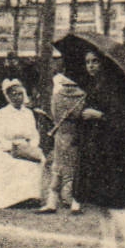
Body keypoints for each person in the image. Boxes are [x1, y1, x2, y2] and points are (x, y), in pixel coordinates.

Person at [75, 49, 125, 248]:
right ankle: (109, 245)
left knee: (115, 201)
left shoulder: (117, 89)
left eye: (95, 61)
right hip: (97, 151)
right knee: (100, 201)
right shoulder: (93, 87)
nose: (90, 66)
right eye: (87, 62)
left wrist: (100, 115)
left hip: (114, 154)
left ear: (104, 63)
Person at [0, 79, 45, 209]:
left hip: (25, 147)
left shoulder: (28, 113)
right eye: (14, 94)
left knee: (36, 160)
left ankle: (31, 196)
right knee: (11, 163)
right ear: (8, 96)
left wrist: (31, 146)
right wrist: (12, 148)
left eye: (20, 94)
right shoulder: (2, 114)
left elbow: (34, 134)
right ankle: (14, 199)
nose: (18, 97)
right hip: (6, 148)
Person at [39, 73, 84, 214]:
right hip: (76, 135)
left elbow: (54, 115)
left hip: (60, 135)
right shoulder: (83, 96)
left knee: (57, 169)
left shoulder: (57, 96)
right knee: (74, 168)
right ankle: (74, 203)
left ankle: (52, 202)